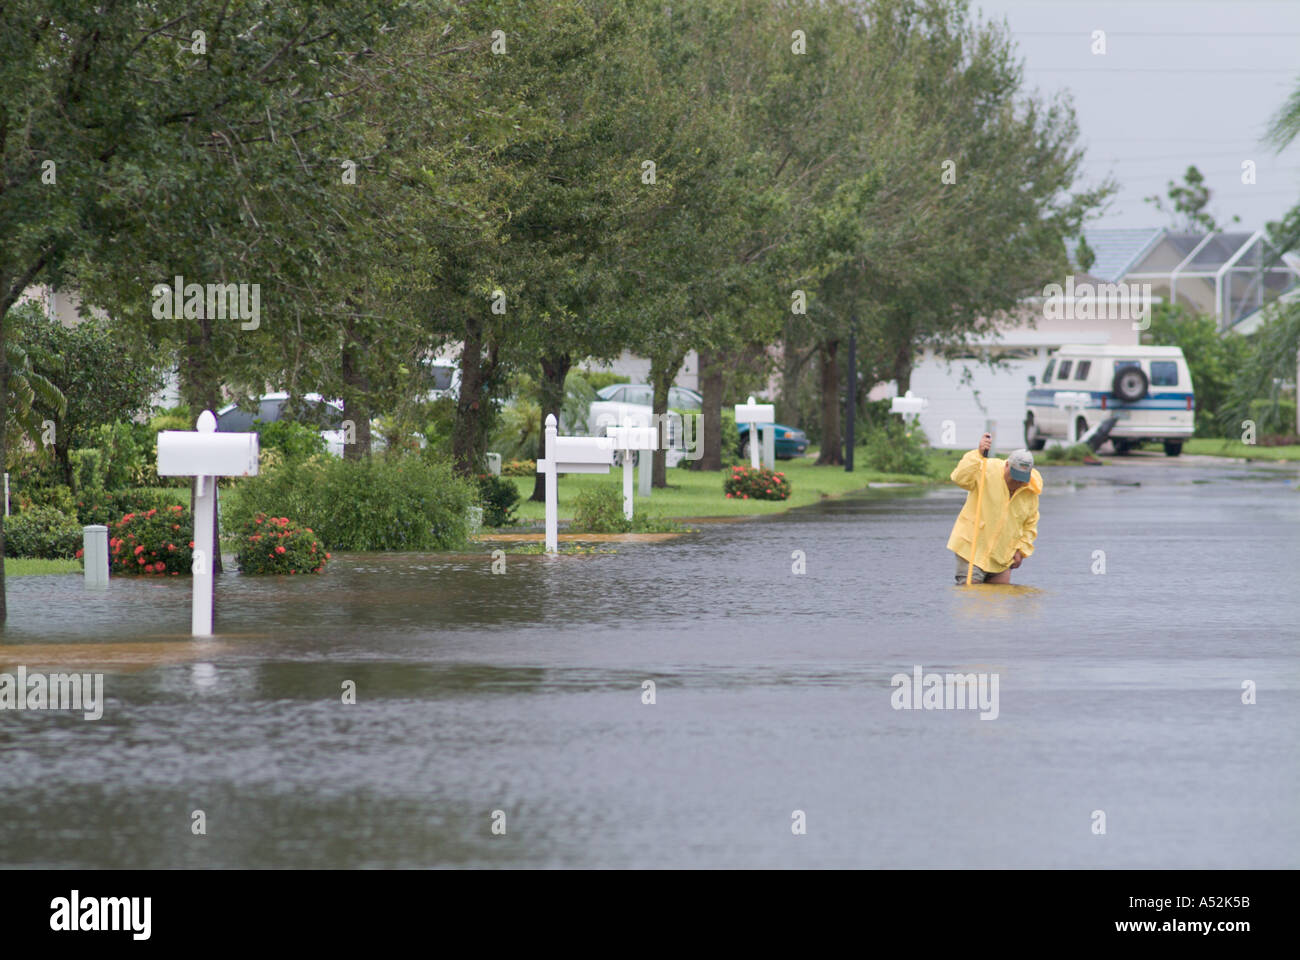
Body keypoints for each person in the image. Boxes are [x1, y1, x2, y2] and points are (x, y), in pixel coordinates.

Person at [947, 434, 1042, 584]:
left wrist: (1021, 551)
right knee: (970, 600)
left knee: (1000, 600)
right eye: (1014, 476)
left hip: (1002, 557)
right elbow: (959, 478)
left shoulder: (1031, 490)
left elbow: (1030, 525)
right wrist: (977, 454)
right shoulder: (986, 468)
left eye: (1021, 479)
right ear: (1006, 466)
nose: (1017, 482)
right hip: (972, 550)